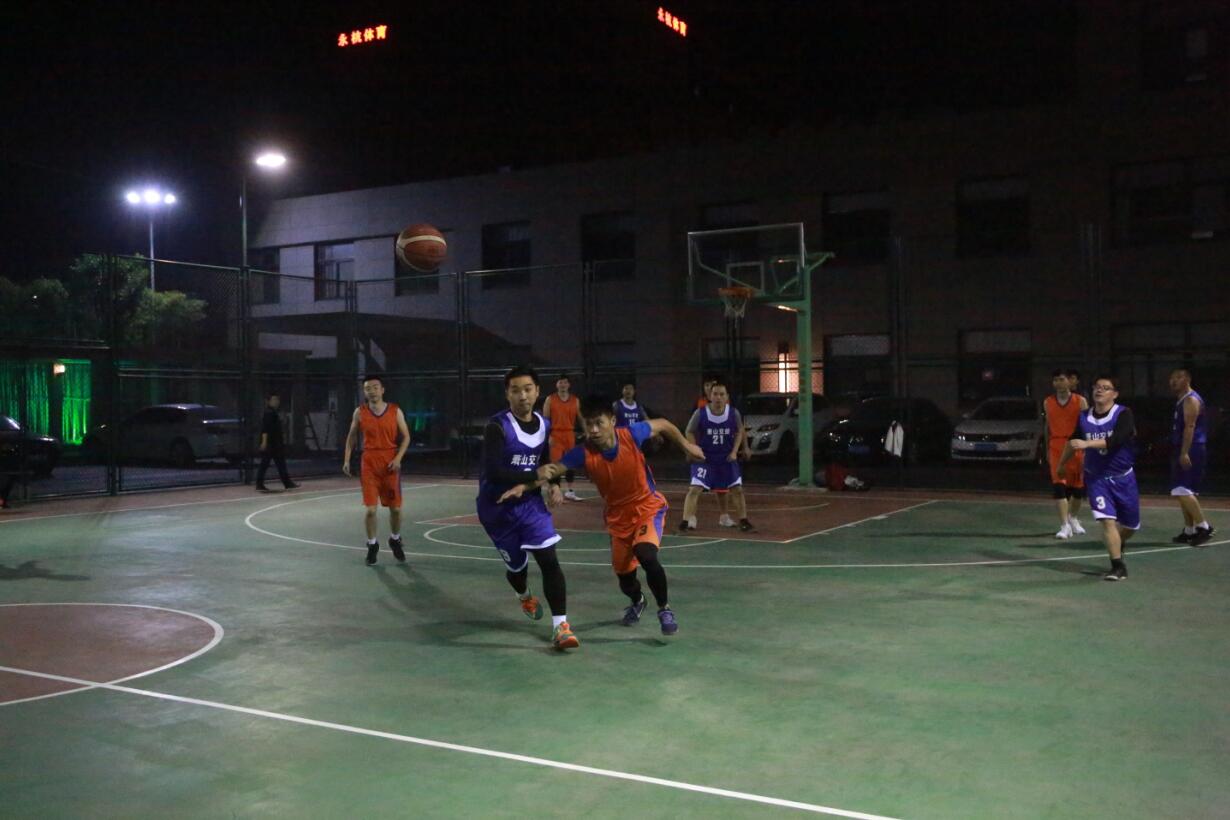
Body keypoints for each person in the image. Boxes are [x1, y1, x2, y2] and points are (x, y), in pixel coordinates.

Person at [503, 395, 704, 636]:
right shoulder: (583, 453)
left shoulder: (631, 434)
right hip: (618, 518)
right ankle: (638, 600)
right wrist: (523, 486)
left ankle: (665, 609)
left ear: (612, 421)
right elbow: (553, 469)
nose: (594, 430)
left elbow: (663, 424)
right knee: (624, 577)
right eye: (589, 425)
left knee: (646, 554)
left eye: (599, 423)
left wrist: (687, 446)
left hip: (647, 508)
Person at [477, 366, 577, 650]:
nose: (522, 395)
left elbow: (544, 459)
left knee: (549, 559)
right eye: (516, 390)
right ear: (507, 394)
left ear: (537, 391)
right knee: (517, 570)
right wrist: (536, 476)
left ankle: (561, 627)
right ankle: (523, 594)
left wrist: (554, 483)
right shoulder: (497, 427)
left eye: (528, 389)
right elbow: (494, 472)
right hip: (497, 509)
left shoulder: (544, 425)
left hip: (530, 505)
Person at [1057, 375, 1139, 581]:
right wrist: (1062, 464)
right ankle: (1118, 566)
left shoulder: (1124, 414)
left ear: (1115, 394)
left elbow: (1116, 440)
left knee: (1130, 526)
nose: (1099, 390)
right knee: (1107, 521)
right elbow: (1073, 441)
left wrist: (1087, 444)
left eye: (1105, 387)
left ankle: (1119, 543)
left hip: (1123, 478)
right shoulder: (1084, 417)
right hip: (1097, 479)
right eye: (1097, 387)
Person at [342, 376, 412, 566]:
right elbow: (351, 437)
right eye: (368, 388)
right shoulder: (360, 412)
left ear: (382, 390)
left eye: (375, 387)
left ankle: (395, 539)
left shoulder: (395, 410)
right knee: (371, 510)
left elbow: (406, 437)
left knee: (395, 509)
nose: (372, 391)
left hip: (390, 464)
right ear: (364, 392)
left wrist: (398, 458)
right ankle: (372, 545)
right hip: (369, 464)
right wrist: (347, 459)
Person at [679, 380, 754, 532]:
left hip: (726, 457)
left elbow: (739, 431)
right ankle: (685, 521)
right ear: (710, 396)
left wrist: (735, 451)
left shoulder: (733, 413)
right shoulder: (700, 413)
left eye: (721, 394)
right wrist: (694, 448)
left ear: (727, 397)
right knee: (694, 489)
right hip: (706, 458)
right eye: (715, 394)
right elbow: (689, 431)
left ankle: (744, 520)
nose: (718, 397)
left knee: (737, 489)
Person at [1168, 368, 1215, 546]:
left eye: (1178, 377)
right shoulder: (1181, 399)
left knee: (1183, 489)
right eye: (1172, 378)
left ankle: (1204, 527)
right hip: (1183, 447)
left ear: (1187, 380)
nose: (1173, 381)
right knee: (1181, 492)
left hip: (1191, 448)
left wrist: (1184, 452)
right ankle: (1190, 530)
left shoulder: (1191, 399)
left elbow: (1190, 427)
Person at [1044, 369, 1088, 539]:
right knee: (1059, 486)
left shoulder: (1080, 401)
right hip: (1056, 446)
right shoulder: (1048, 402)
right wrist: (1047, 448)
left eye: (1062, 379)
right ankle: (1064, 525)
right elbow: (1047, 426)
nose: (1059, 383)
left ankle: (1073, 518)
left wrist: (1088, 448)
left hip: (1075, 446)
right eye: (1055, 380)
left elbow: (1087, 426)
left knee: (1078, 489)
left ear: (1070, 381)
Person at [543, 372, 582, 501]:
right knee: (555, 464)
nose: (563, 384)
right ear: (557, 384)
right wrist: (548, 436)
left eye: (565, 382)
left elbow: (580, 418)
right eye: (560, 382)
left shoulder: (575, 400)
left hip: (569, 435)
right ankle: (555, 491)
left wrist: (587, 430)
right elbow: (545, 420)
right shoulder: (550, 399)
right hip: (555, 435)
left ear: (569, 385)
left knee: (570, 463)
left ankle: (570, 491)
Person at [256, 393, 299, 492]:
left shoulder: (274, 413)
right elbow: (265, 429)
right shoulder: (268, 413)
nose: (276, 402)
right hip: (270, 444)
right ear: (268, 401)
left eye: (277, 400)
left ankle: (287, 483)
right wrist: (264, 442)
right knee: (265, 463)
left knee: (280, 463)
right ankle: (259, 484)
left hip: (276, 443)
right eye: (274, 400)